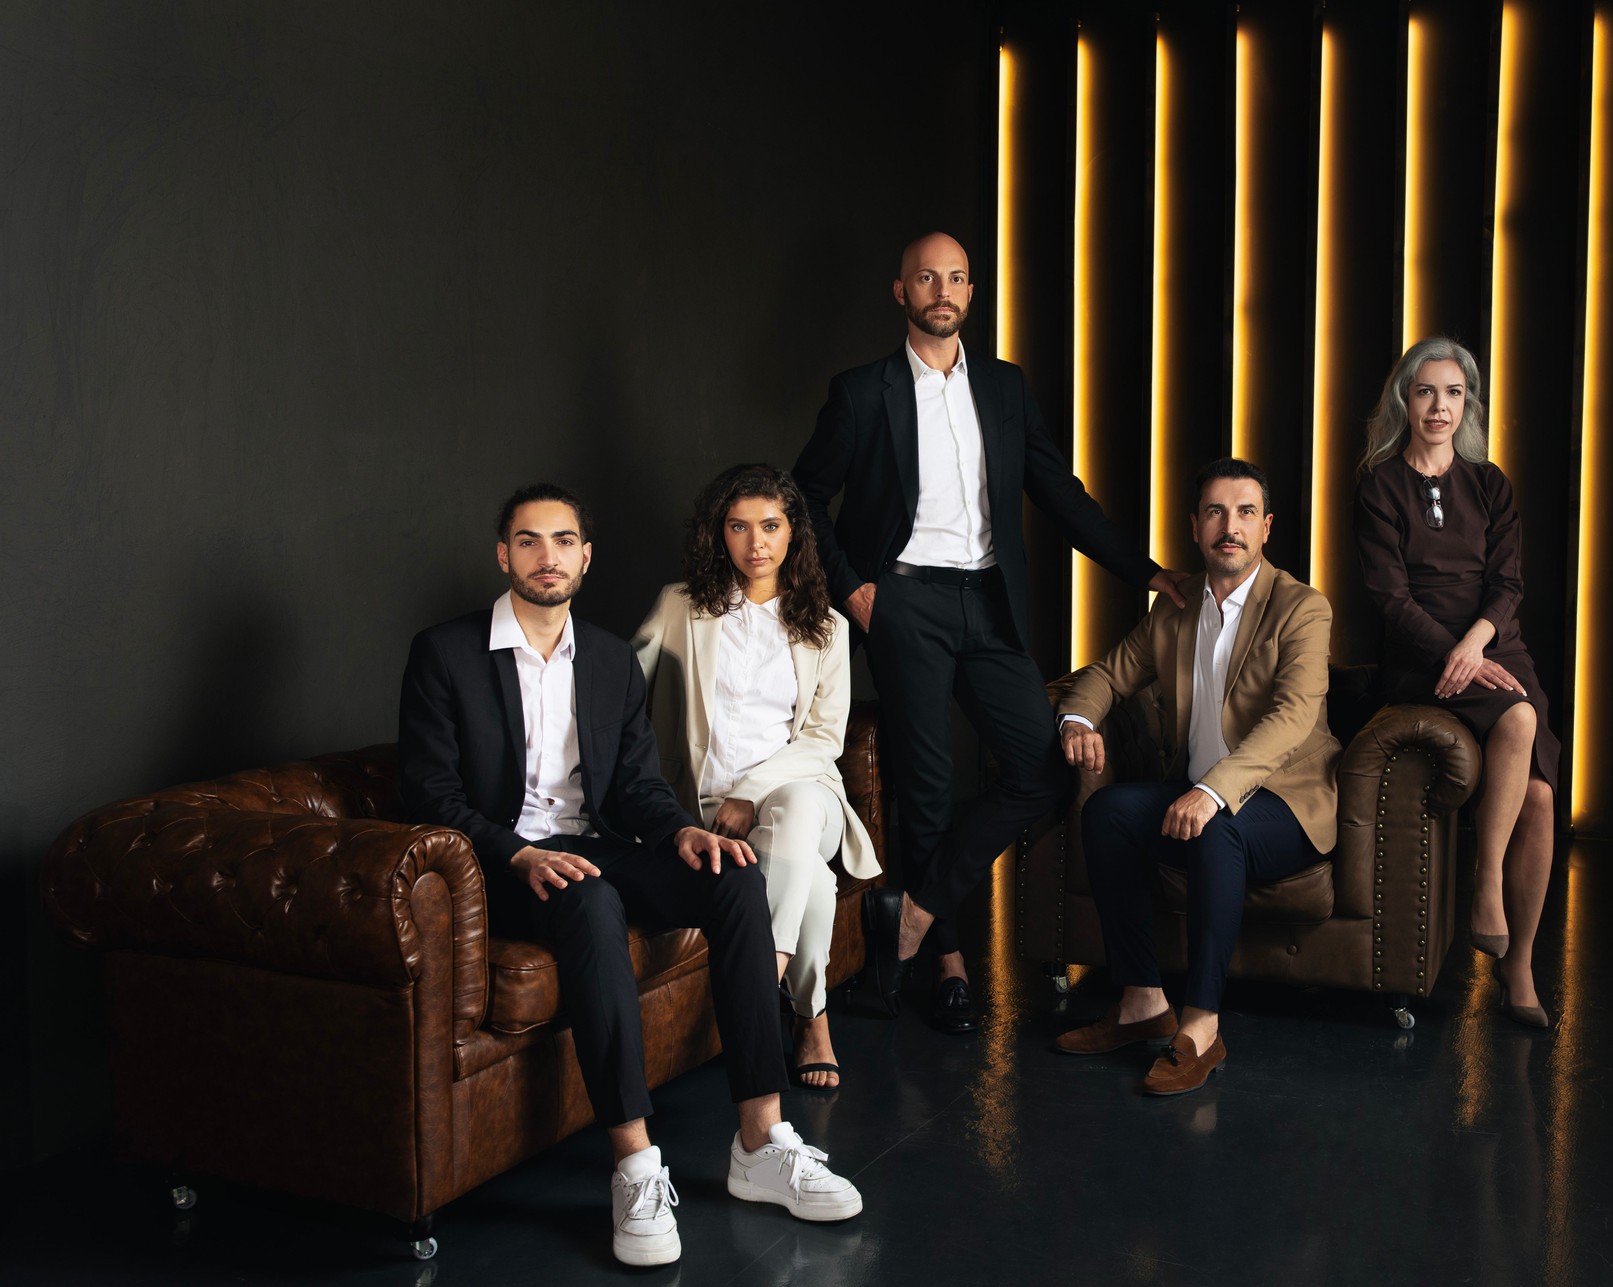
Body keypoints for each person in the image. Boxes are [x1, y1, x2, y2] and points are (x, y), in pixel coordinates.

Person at [397, 483, 861, 1270]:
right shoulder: (445, 652)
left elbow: (637, 786)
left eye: (565, 541)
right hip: (503, 861)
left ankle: (759, 1138)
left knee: (735, 875)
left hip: (593, 841)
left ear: (586, 556)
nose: (550, 557)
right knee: (590, 896)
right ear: (502, 554)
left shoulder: (609, 658)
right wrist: (520, 852)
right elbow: (432, 798)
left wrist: (683, 831)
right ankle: (636, 1163)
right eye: (531, 541)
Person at [794, 231, 1186, 1032]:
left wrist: (1144, 571)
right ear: (900, 292)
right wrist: (855, 590)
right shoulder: (863, 391)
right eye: (928, 278)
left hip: (989, 602)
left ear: (971, 293)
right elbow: (803, 495)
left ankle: (914, 912)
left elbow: (1059, 491)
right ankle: (948, 963)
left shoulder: (1004, 388)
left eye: (959, 278)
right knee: (928, 787)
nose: (944, 290)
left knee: (1042, 770)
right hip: (904, 602)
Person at [1050, 459, 1341, 1094]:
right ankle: (1142, 1003)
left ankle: (1201, 1026)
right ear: (1195, 527)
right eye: (1215, 512)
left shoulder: (1302, 608)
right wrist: (1076, 720)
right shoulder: (1176, 608)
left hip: (1283, 804)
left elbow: (1294, 717)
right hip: (1201, 793)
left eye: (1243, 514)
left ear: (1265, 528)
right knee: (1107, 815)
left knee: (1218, 831)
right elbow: (1106, 674)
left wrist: (1212, 792)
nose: (1228, 527)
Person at [633, 464, 881, 1091]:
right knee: (815, 888)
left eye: (770, 526)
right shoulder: (679, 607)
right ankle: (811, 1020)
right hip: (705, 803)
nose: (756, 543)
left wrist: (749, 793)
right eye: (738, 527)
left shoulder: (826, 628)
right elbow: (622, 694)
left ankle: (757, 979)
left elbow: (823, 740)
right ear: (720, 534)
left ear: (794, 532)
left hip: (804, 795)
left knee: (795, 816)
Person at [1353, 338, 1562, 1028]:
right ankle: (1486, 887)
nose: (1439, 406)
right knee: (1523, 719)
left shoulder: (1489, 482)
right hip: (1419, 653)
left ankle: (1520, 962)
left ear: (1466, 401)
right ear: (1404, 401)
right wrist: (1453, 651)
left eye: (1453, 392)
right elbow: (1389, 596)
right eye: (1425, 391)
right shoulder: (1379, 485)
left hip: (1493, 645)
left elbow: (1508, 583)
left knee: (1538, 795)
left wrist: (1476, 644)